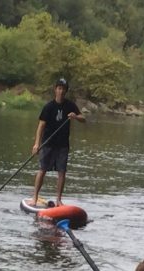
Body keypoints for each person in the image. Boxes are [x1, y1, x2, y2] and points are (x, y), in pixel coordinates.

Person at [30, 77, 85, 206]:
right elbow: (41, 126)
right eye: (59, 88)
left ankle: (59, 200)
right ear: (55, 90)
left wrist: (75, 116)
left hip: (63, 145)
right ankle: (34, 197)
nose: (61, 91)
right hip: (48, 143)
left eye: (63, 89)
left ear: (66, 91)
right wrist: (37, 144)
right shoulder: (48, 107)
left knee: (62, 172)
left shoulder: (70, 105)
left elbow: (84, 118)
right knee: (42, 170)